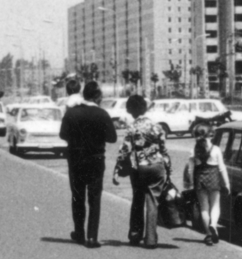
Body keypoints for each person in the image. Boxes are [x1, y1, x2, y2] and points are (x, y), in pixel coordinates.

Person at [60, 80, 119, 247]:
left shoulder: (72, 113)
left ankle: (79, 232)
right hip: (96, 160)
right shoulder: (102, 114)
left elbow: (62, 134)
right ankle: (92, 237)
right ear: (98, 97)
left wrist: (77, 139)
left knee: (77, 196)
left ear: (83, 95)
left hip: (76, 159)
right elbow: (112, 138)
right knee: (94, 198)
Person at [112, 94, 169, 249]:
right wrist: (167, 169)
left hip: (139, 168)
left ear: (130, 111)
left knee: (138, 199)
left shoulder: (132, 128)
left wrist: (117, 169)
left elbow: (125, 150)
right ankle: (151, 239)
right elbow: (164, 150)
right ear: (145, 107)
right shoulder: (157, 126)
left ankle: (135, 234)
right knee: (152, 202)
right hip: (157, 166)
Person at [184, 125, 230, 246]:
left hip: (200, 179)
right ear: (210, 134)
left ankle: (208, 235)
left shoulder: (193, 150)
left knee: (204, 208)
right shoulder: (216, 149)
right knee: (215, 206)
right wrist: (227, 183)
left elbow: (190, 170)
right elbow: (222, 168)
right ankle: (213, 225)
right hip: (214, 178)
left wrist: (191, 183)